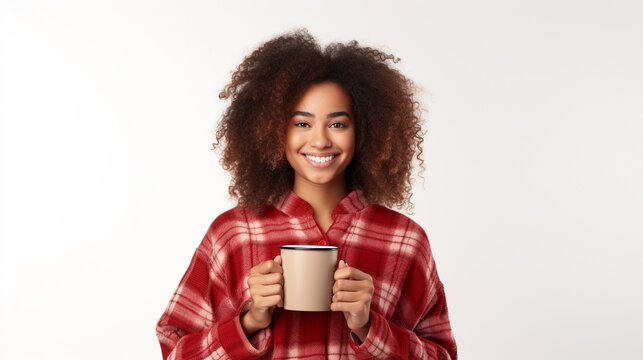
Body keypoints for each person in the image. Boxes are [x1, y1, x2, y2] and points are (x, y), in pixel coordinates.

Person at [156, 29, 457, 359]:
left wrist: (369, 326)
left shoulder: (404, 240)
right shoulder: (233, 234)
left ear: (364, 131)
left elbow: (442, 354)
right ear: (272, 130)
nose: (319, 141)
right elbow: (174, 348)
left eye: (338, 124)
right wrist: (249, 321)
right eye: (302, 123)